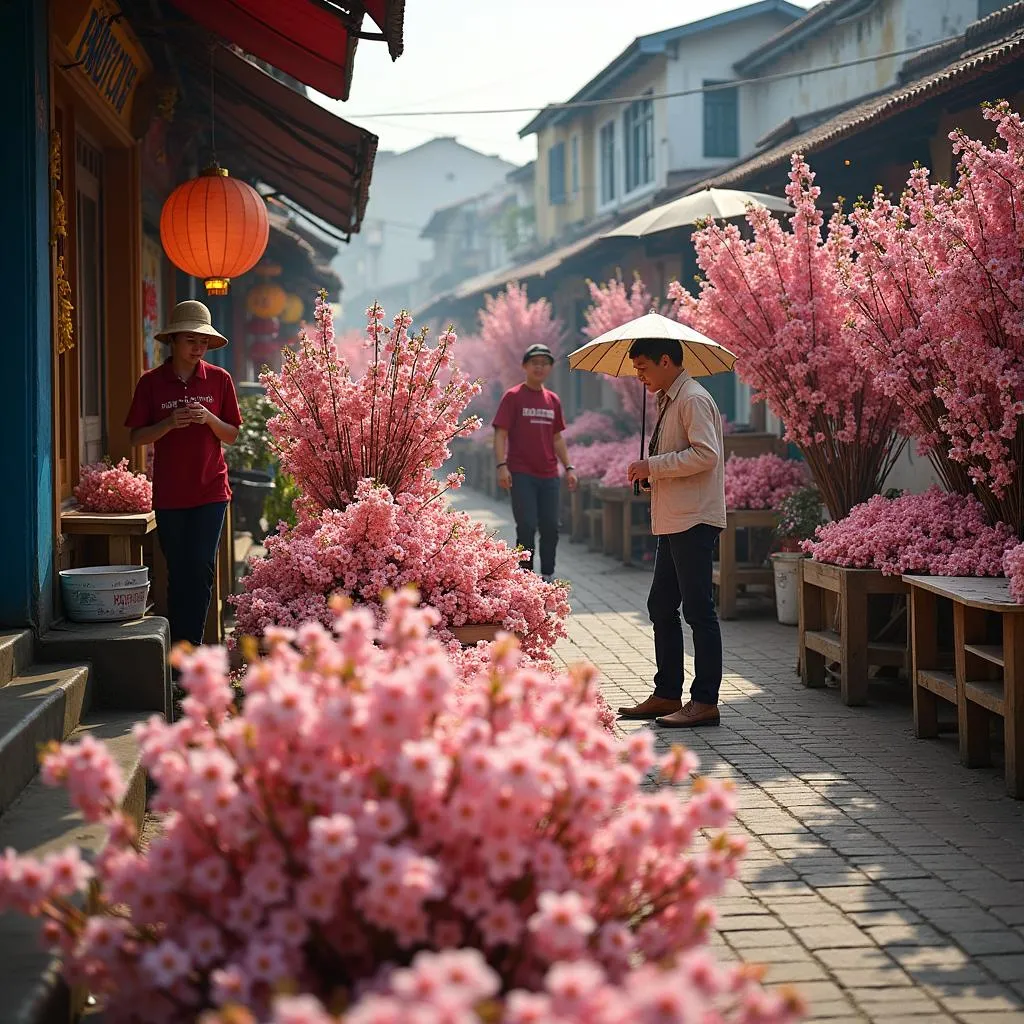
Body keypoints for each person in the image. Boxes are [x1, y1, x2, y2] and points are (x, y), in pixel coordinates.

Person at [618, 337, 726, 728]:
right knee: (661, 606)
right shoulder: (669, 399)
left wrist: (655, 466)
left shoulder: (692, 398)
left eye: (644, 367)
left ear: (666, 360)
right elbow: (678, 459)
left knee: (699, 611)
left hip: (694, 519)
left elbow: (706, 455)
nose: (640, 376)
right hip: (675, 518)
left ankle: (705, 701)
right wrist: (650, 477)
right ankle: (667, 693)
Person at [125, 300, 241, 649]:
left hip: (211, 491)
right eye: (191, 340)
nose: (198, 347)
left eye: (203, 341)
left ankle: (192, 649)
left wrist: (209, 418)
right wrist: (168, 423)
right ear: (173, 340)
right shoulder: (151, 383)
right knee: (177, 571)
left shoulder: (220, 380)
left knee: (202, 568)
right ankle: (178, 651)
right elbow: (135, 437)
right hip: (171, 494)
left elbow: (232, 434)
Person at [493, 344, 578, 582]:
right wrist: (501, 466)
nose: (539, 367)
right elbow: (500, 433)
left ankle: (548, 574)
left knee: (551, 526)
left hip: (549, 474)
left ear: (550, 367)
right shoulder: (513, 397)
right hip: (521, 473)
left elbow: (557, 437)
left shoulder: (553, 400)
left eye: (544, 362)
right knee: (527, 526)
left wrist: (569, 467)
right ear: (525, 366)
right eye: (535, 362)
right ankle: (525, 578)